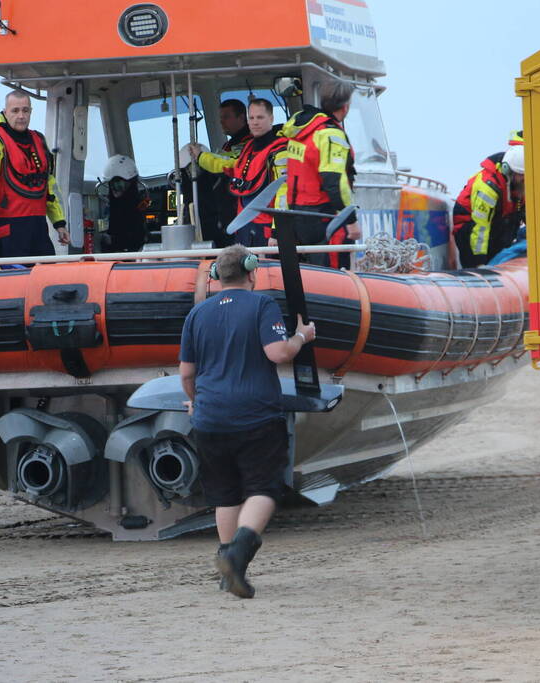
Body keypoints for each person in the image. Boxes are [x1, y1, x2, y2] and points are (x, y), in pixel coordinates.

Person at [178, 244, 316, 599]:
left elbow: (187, 374)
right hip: (255, 415)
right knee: (263, 488)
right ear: (252, 271)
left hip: (209, 418)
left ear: (216, 276)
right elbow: (278, 352)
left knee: (225, 494)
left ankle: (229, 570)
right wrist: (301, 336)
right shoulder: (261, 305)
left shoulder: (197, 313)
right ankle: (237, 555)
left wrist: (197, 402)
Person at [0, 91, 69, 259]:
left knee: (48, 272)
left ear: (31, 112)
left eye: (25, 110)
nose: (21, 116)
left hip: (38, 233)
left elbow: (49, 186)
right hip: (6, 235)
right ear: (5, 112)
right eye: (15, 111)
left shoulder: (39, 141)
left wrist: (59, 223)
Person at [281, 80, 361, 269]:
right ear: (345, 106)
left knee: (310, 270)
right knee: (335, 273)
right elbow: (334, 181)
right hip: (325, 217)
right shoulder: (330, 135)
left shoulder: (301, 130)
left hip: (298, 215)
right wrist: (350, 220)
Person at [188, 98, 288, 247]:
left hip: (267, 232)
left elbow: (284, 193)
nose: (255, 122)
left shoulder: (280, 152)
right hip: (244, 227)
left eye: (260, 117)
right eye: (251, 118)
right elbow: (228, 165)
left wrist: (277, 232)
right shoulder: (248, 149)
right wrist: (201, 156)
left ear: (271, 119)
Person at [451, 132, 526, 268]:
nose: (524, 179)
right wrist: (478, 263)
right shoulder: (488, 187)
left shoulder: (519, 185)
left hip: (499, 223)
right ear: (508, 170)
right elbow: (480, 227)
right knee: (477, 253)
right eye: (521, 176)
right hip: (470, 228)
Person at [192, 99, 253, 247]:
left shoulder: (249, 143)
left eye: (226, 117)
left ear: (241, 118)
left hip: (237, 207)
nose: (221, 122)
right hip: (225, 208)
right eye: (220, 118)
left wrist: (201, 157)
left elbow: (229, 166)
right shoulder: (229, 144)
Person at [102, 154, 148, 252]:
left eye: (119, 185)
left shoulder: (135, 211)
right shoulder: (112, 209)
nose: (115, 189)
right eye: (112, 185)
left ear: (130, 184)